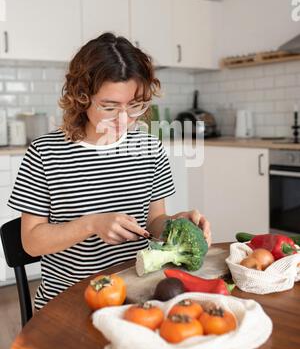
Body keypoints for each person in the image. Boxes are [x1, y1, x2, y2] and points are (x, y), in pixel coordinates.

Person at [7, 32, 211, 310]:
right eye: (109, 106)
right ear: (81, 97)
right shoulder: (45, 153)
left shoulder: (150, 148)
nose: (124, 119)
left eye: (135, 105)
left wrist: (178, 224)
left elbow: (154, 221)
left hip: (138, 297)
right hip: (70, 304)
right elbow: (31, 241)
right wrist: (91, 224)